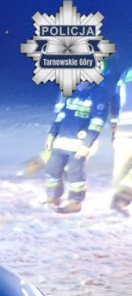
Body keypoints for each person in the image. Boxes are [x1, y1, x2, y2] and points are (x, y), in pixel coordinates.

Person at [43, 79, 109, 213]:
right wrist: (51, 133)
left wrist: (87, 144)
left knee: (75, 174)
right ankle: (53, 197)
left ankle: (76, 202)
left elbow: (97, 121)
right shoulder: (72, 92)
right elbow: (61, 115)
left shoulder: (98, 93)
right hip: (61, 140)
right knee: (52, 170)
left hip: (78, 145)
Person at [110, 64, 132, 215]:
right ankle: (121, 199)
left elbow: (115, 100)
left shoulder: (126, 72)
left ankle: (116, 200)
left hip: (123, 127)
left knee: (121, 166)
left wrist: (113, 126)